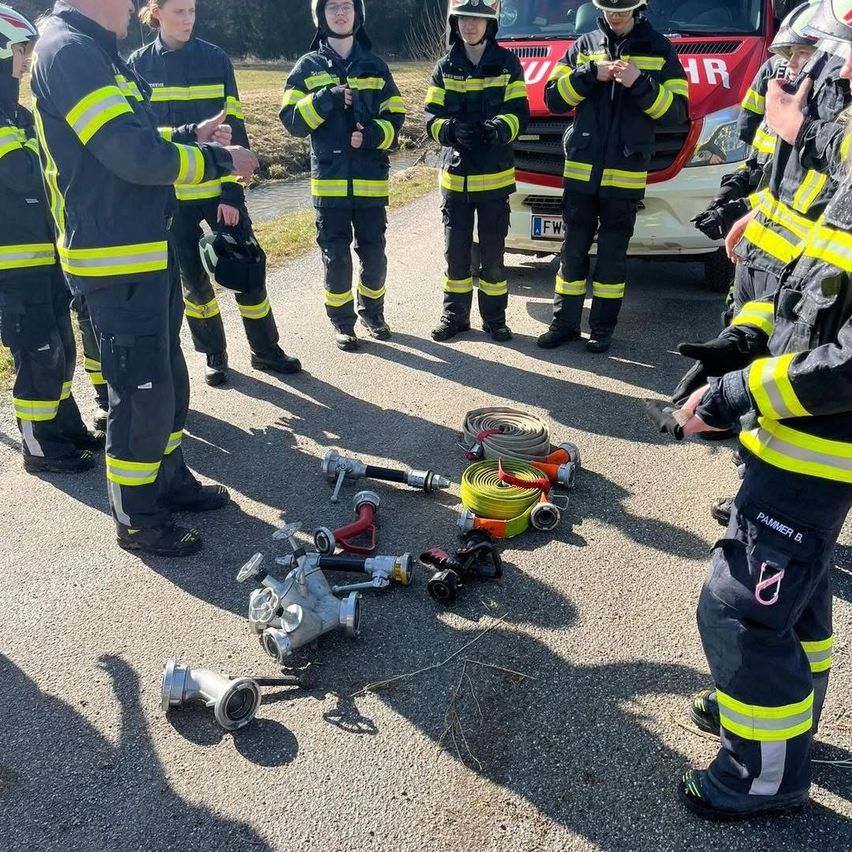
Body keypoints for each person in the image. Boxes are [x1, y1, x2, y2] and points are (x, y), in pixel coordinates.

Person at [675, 1, 852, 819]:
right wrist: (735, 349)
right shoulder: (833, 167)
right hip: (796, 439)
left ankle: (766, 776)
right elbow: (795, 289)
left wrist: (736, 395)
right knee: (799, 598)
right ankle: (781, 724)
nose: (783, 79)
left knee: (741, 607)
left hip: (821, 443)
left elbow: (845, 362)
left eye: (803, 62)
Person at [31, 0, 257, 556]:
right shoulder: (69, 51)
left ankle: (168, 478)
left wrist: (185, 131)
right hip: (113, 257)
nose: (135, 6)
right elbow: (131, 155)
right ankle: (137, 518)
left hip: (142, 249)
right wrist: (218, 160)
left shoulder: (92, 50)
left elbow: (132, 132)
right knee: (141, 392)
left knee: (168, 379)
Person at [129, 0, 301, 386]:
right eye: (179, 12)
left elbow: (234, 125)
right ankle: (214, 357)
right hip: (170, 200)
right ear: (156, 12)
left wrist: (230, 192)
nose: (188, 20)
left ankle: (265, 351)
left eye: (192, 11)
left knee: (248, 270)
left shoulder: (216, 59)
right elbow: (141, 141)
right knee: (195, 286)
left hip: (218, 191)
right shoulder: (138, 66)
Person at [536, 0, 688, 353]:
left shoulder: (659, 48)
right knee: (571, 253)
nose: (615, 16)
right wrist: (590, 74)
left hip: (625, 174)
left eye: (623, 9)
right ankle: (564, 325)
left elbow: (675, 112)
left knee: (611, 257)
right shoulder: (583, 47)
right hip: (581, 173)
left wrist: (640, 82)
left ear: (639, 9)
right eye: (609, 9)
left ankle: (601, 330)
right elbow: (554, 99)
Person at [0, 4, 102, 475]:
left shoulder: (19, 117)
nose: (26, 62)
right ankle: (40, 447)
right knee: (37, 354)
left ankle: (62, 423)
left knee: (61, 346)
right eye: (19, 52)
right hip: (12, 274)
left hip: (46, 261)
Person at [280, 0, 405, 352]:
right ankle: (342, 322)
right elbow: (291, 120)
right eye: (332, 6)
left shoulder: (376, 67)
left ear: (357, 14)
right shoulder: (307, 67)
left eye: (346, 6)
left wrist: (372, 136)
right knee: (336, 260)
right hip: (330, 185)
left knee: (375, 255)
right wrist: (325, 98)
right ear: (321, 16)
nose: (339, 13)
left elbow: (396, 118)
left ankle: (373, 313)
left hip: (370, 183)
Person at [425, 0, 530, 343]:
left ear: (490, 25)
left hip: (495, 178)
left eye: (477, 19)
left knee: (493, 258)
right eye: (463, 19)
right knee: (455, 256)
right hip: (455, 180)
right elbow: (430, 117)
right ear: (455, 24)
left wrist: (498, 129)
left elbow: (519, 112)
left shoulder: (507, 64)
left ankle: (495, 320)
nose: (469, 25)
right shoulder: (444, 67)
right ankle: (454, 317)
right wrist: (450, 130)